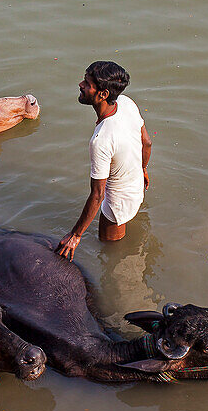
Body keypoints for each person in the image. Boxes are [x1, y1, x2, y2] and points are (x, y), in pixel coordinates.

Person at [56, 61, 152, 261]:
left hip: (116, 206)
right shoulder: (126, 103)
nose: (81, 85)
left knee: (112, 253)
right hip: (137, 185)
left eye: (87, 83)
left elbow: (98, 195)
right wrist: (142, 169)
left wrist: (75, 235)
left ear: (103, 94)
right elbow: (147, 142)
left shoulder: (100, 140)